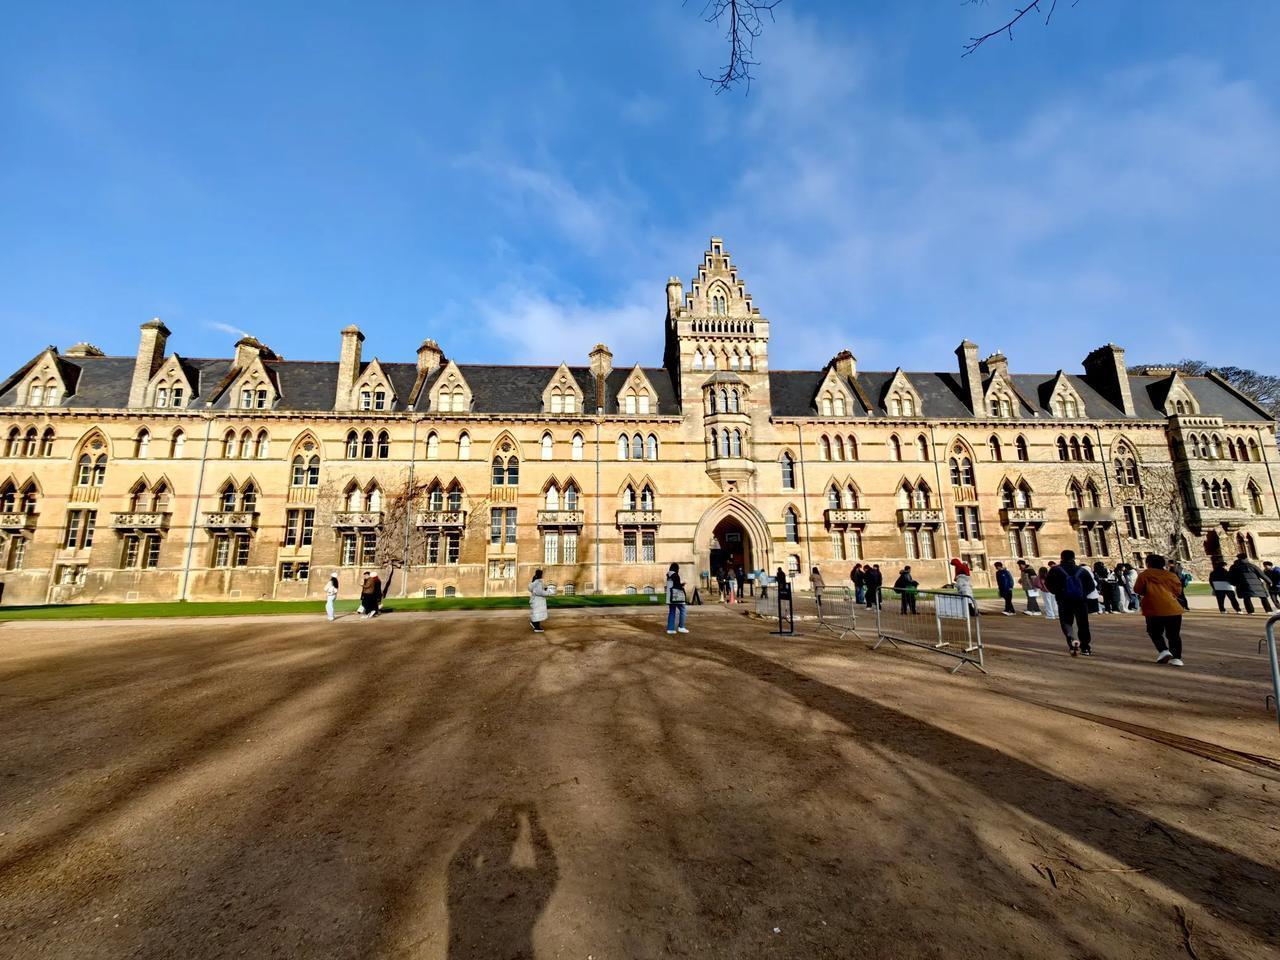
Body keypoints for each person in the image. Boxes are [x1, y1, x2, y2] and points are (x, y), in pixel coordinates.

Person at [1134, 553, 1186, 667]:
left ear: (1148, 564)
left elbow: (1137, 589)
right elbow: (1178, 590)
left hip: (1153, 608)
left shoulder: (1145, 575)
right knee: (1174, 634)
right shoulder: (1170, 575)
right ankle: (1176, 658)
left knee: (1154, 632)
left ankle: (1163, 650)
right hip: (1173, 608)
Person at [1046, 549, 1096, 656]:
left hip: (1064, 601)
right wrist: (1083, 593)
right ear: (1074, 558)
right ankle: (1085, 647)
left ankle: (1072, 642)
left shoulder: (1055, 570)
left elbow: (1049, 584)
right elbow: (1091, 586)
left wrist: (1058, 593)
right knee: (1083, 624)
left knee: (1067, 623)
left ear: (1062, 558)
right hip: (1080, 601)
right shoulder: (1082, 571)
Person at [665, 562, 689, 635]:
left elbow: (673, 585)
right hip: (676, 596)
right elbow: (677, 586)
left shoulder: (668, 575)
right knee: (683, 609)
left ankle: (670, 629)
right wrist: (682, 585)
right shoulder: (675, 575)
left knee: (672, 611)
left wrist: (679, 584)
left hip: (669, 597)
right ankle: (681, 627)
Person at [528, 568, 549, 633]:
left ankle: (535, 624)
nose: (542, 575)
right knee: (538, 613)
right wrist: (547, 592)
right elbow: (539, 592)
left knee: (537, 613)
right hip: (538, 601)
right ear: (540, 574)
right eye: (541, 574)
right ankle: (536, 627)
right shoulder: (538, 582)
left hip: (535, 600)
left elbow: (532, 589)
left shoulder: (535, 581)